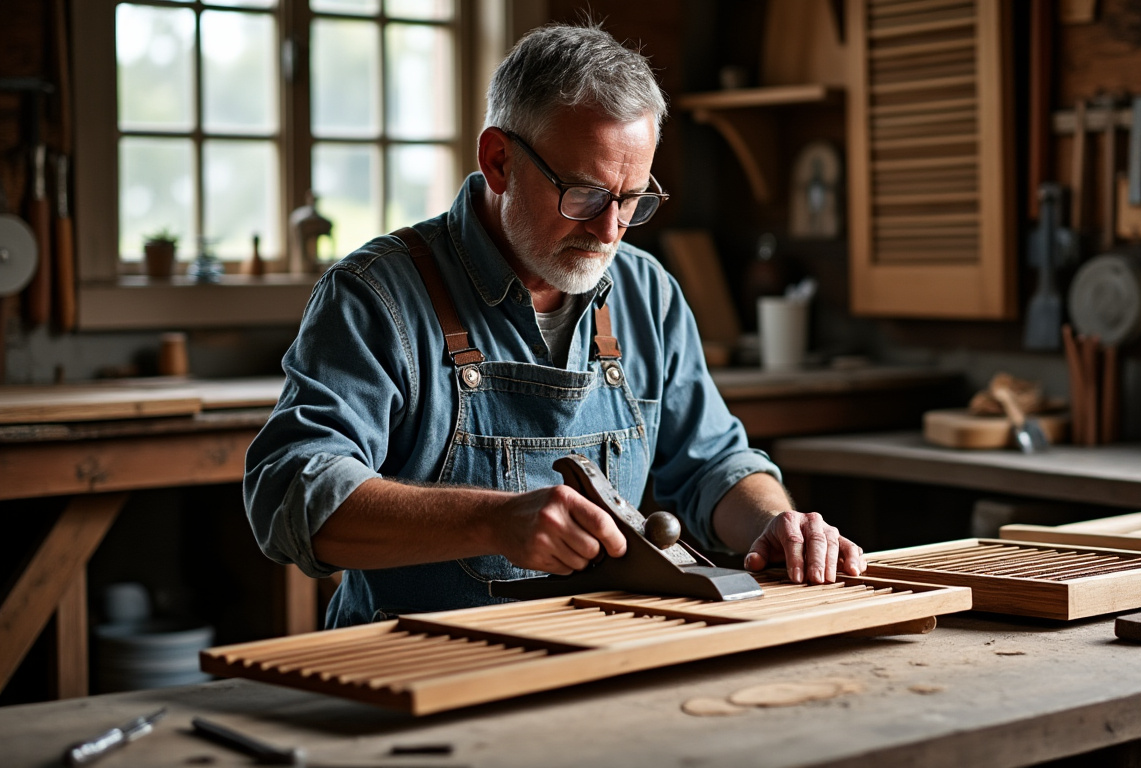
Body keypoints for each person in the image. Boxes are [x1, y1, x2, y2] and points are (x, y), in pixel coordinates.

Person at [243, 22, 865, 628]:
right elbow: (293, 494)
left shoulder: (646, 293)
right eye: (586, 195)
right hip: (412, 672)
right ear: (499, 162)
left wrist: (773, 524)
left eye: (631, 200)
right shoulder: (376, 296)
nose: (609, 231)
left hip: (596, 660)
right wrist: (490, 522)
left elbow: (711, 464)